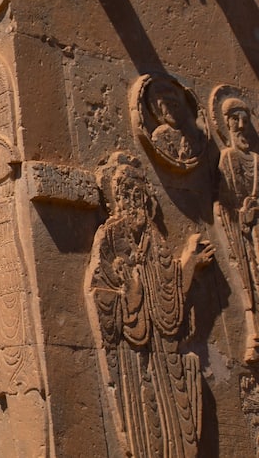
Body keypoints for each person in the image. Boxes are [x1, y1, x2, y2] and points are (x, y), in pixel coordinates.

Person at [87, 155, 213, 457]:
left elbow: (169, 286)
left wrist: (191, 262)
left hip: (164, 347)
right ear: (117, 199)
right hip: (135, 354)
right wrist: (129, 293)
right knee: (146, 426)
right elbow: (100, 292)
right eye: (127, 193)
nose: (134, 200)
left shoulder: (154, 239)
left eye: (139, 192)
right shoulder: (110, 235)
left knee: (179, 425)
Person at [215, 96, 259, 363]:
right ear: (227, 124)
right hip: (242, 232)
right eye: (235, 119)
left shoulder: (256, 159)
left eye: (245, 119)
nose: (241, 125)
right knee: (250, 279)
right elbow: (224, 202)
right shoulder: (228, 158)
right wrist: (242, 214)